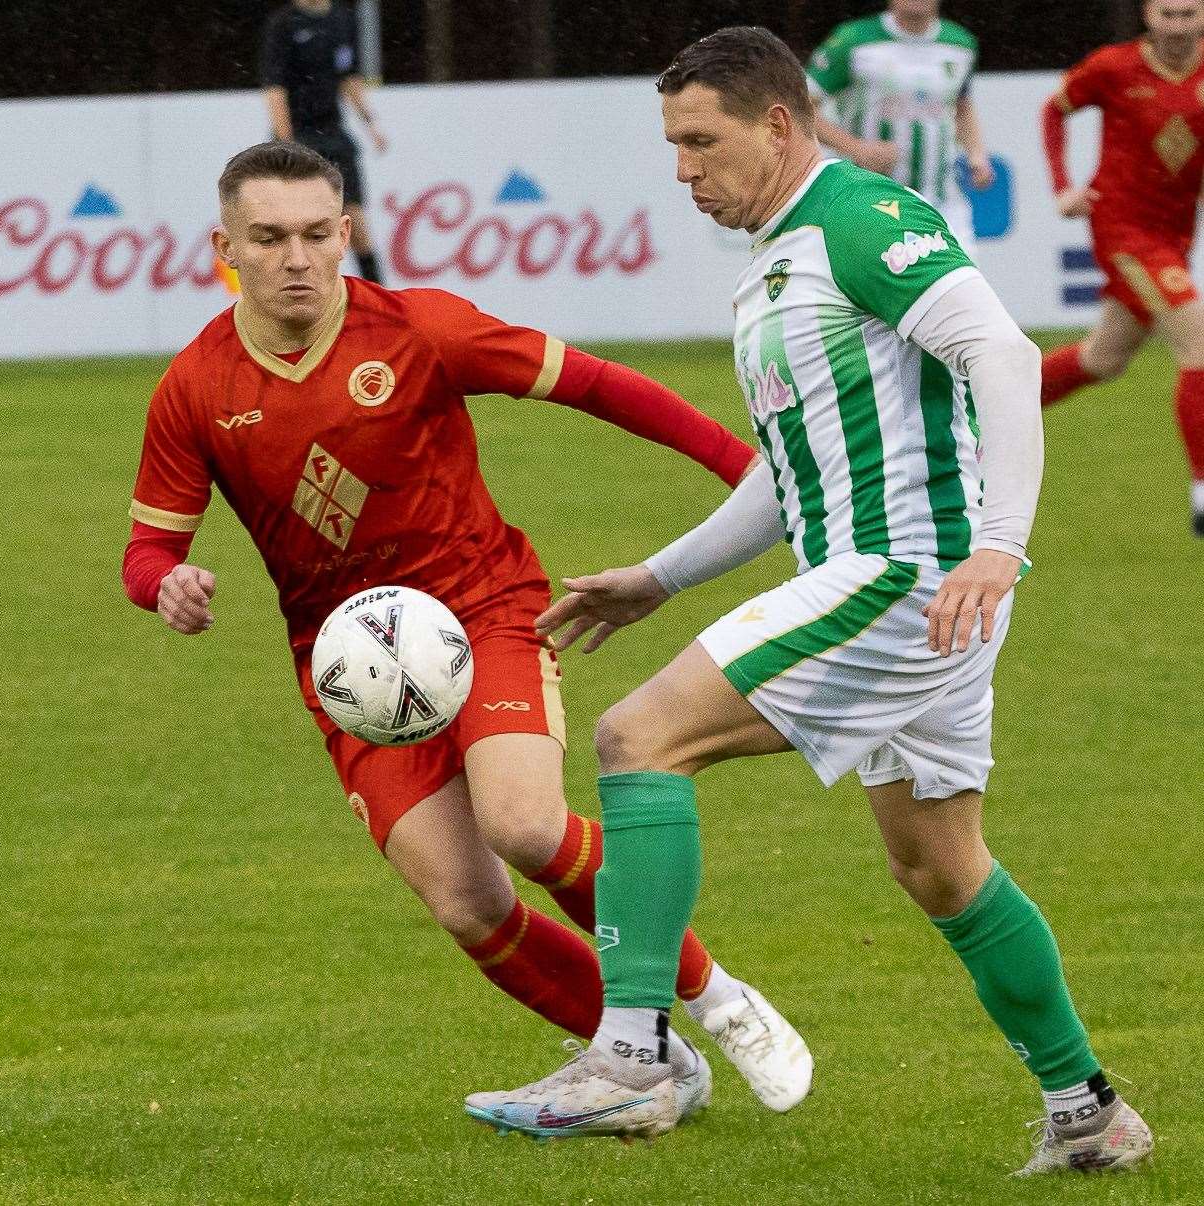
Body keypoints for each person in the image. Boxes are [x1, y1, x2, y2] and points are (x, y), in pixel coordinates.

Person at [464, 27, 1154, 1176]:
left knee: (638, 739)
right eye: (671, 144)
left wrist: (1000, 545)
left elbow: (999, 353)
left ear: (778, 125)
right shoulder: (777, 264)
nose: (682, 169)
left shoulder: (860, 221)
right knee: (938, 866)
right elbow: (784, 478)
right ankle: (1087, 1113)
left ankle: (629, 1057)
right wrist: (659, 577)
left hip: (900, 576)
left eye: (701, 141)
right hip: (900, 588)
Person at [121, 140, 815, 1119]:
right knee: (465, 901)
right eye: (268, 238)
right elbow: (145, 552)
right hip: (350, 669)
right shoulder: (195, 387)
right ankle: (644, 1067)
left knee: (524, 823)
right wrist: (168, 587)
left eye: (317, 234)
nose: (296, 258)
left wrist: (748, 471)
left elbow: (597, 384)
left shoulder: (418, 331)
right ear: (224, 246)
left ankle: (716, 1000)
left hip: (479, 610)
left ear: (345, 234)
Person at [1040, 0, 1204, 537]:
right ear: (1148, 16)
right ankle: (1203, 488)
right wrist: (1063, 186)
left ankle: (980, 412)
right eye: (1168, 13)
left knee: (1103, 357)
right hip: (1123, 229)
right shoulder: (1113, 67)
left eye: (1190, 14)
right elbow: (1054, 110)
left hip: (1176, 233)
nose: (1178, 25)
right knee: (1197, 340)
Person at [805, 0, 993, 258]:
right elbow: (802, 107)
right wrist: (856, 148)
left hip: (941, 203)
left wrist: (976, 155)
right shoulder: (854, 40)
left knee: (963, 292)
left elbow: (962, 105)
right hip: (869, 202)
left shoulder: (960, 43)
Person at [261, 0, 388, 284]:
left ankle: (382, 299)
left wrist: (370, 124)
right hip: (299, 136)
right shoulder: (283, 24)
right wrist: (286, 143)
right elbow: (275, 87)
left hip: (333, 134)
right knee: (297, 223)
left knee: (355, 219)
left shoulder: (342, 20)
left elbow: (348, 77)